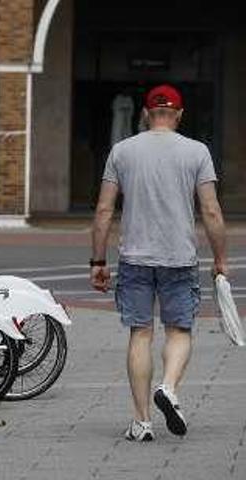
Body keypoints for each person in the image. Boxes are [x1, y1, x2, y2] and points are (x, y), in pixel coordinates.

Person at [90, 84, 227, 442]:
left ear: (147, 113)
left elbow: (104, 210)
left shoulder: (122, 151)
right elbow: (211, 211)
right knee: (179, 330)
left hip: (135, 257)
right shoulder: (197, 151)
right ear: (179, 114)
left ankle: (142, 422)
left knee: (141, 332)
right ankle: (168, 387)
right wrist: (220, 260)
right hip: (179, 257)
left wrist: (98, 260)